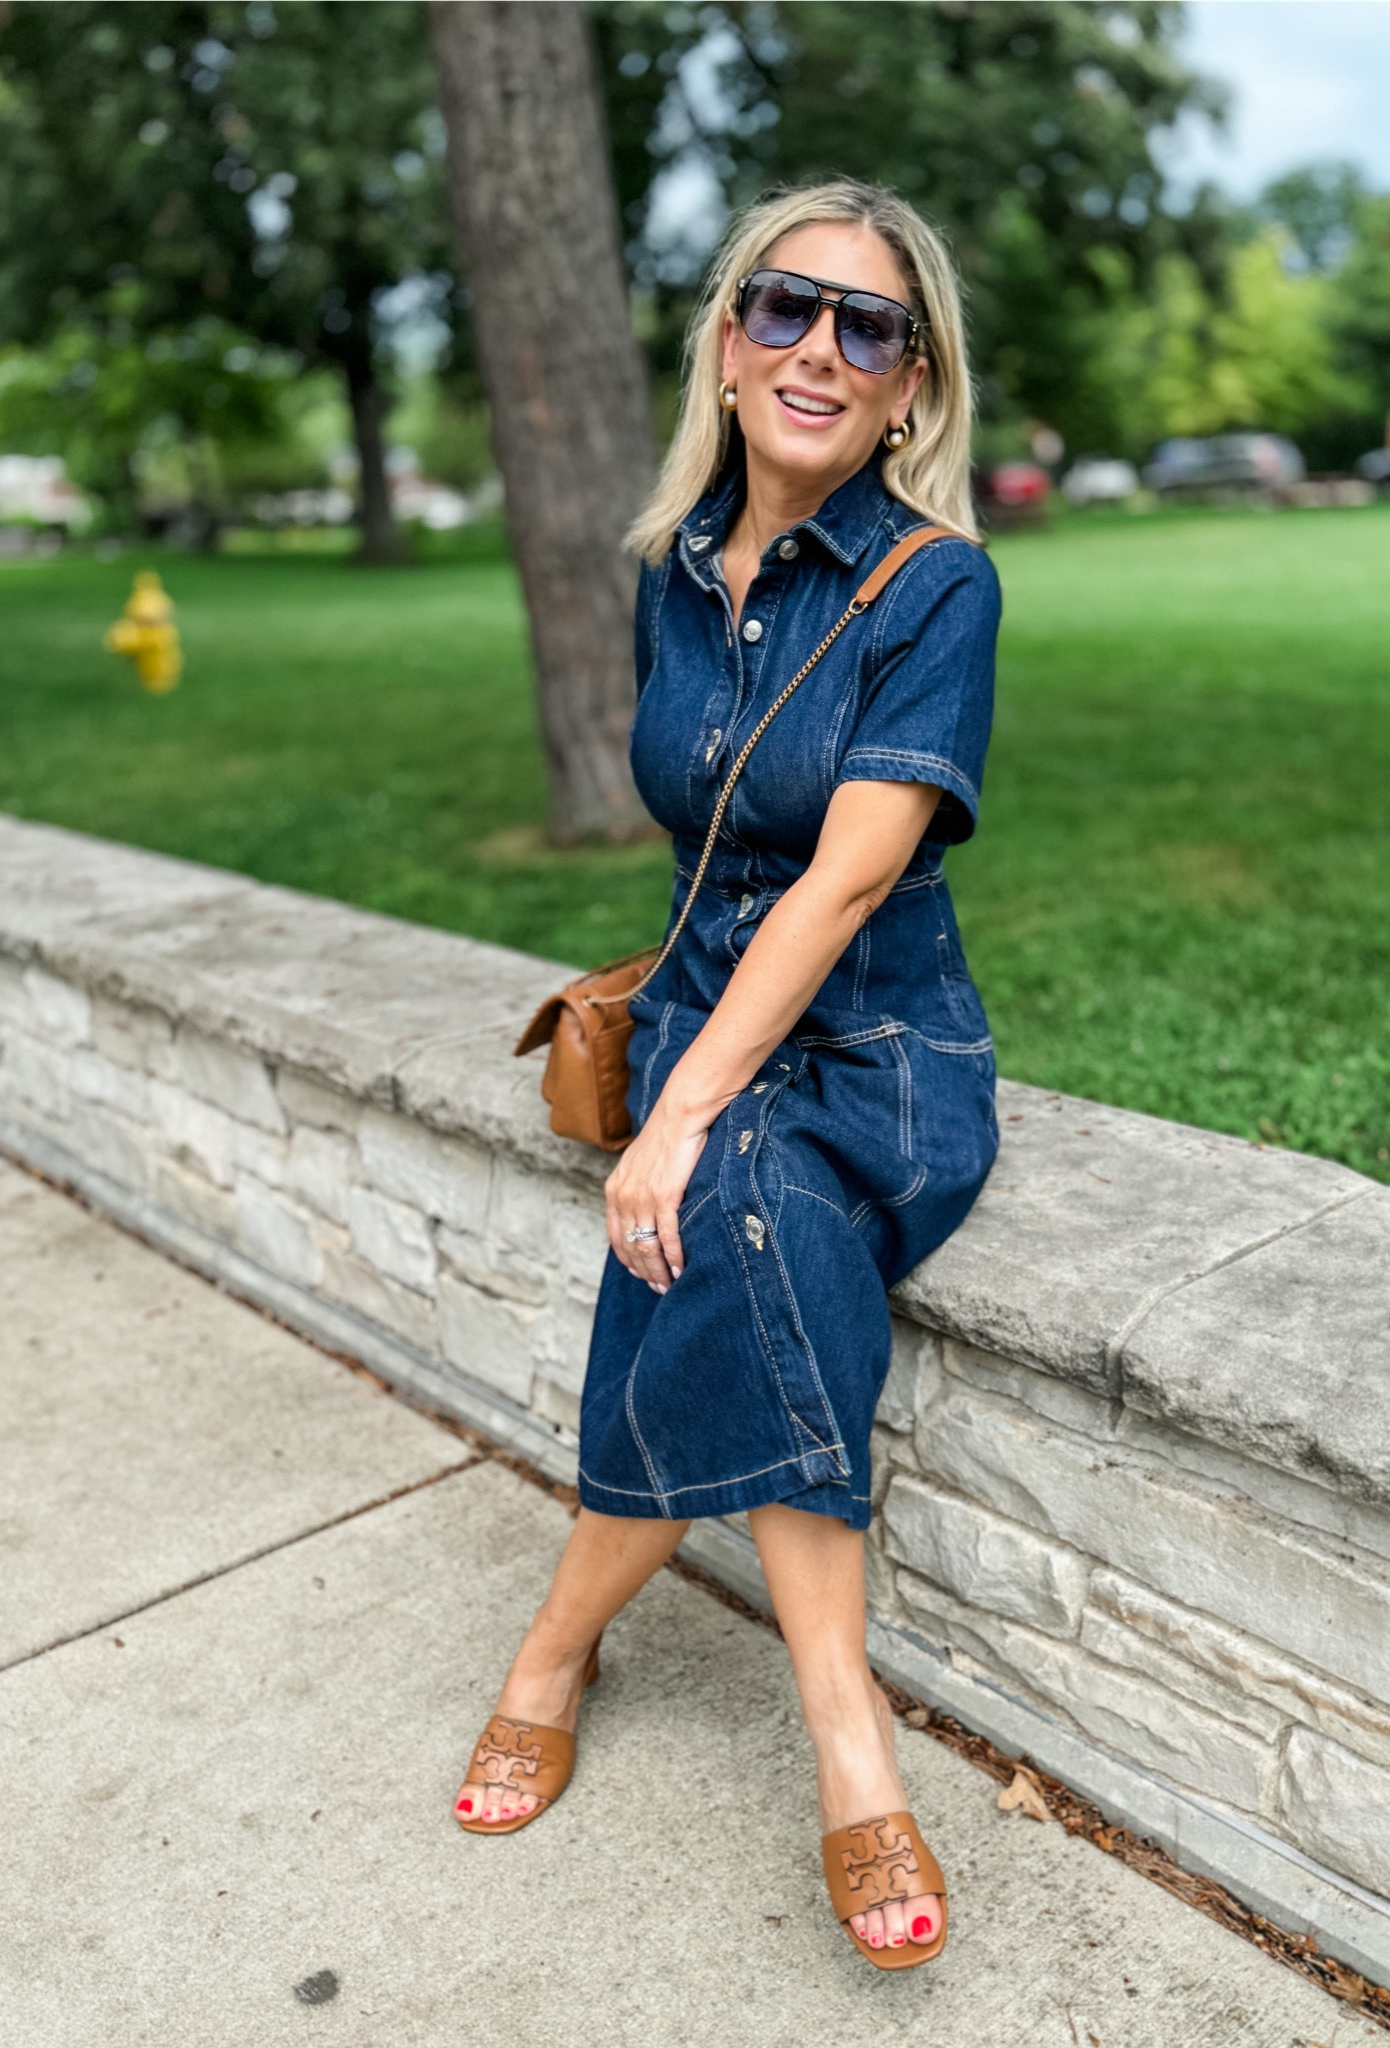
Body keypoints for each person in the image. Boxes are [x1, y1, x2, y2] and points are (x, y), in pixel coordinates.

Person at [454, 179, 1001, 1970]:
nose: (821, 348)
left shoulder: (939, 587)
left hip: (883, 1055)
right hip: (713, 1020)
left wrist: (678, 1114)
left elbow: (843, 882)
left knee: (719, 1204)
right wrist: (687, 1074)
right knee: (749, 1239)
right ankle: (835, 1735)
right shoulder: (673, 575)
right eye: (785, 306)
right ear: (729, 342)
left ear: (911, 387)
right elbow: (702, 833)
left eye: (870, 327)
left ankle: (583, 1660)